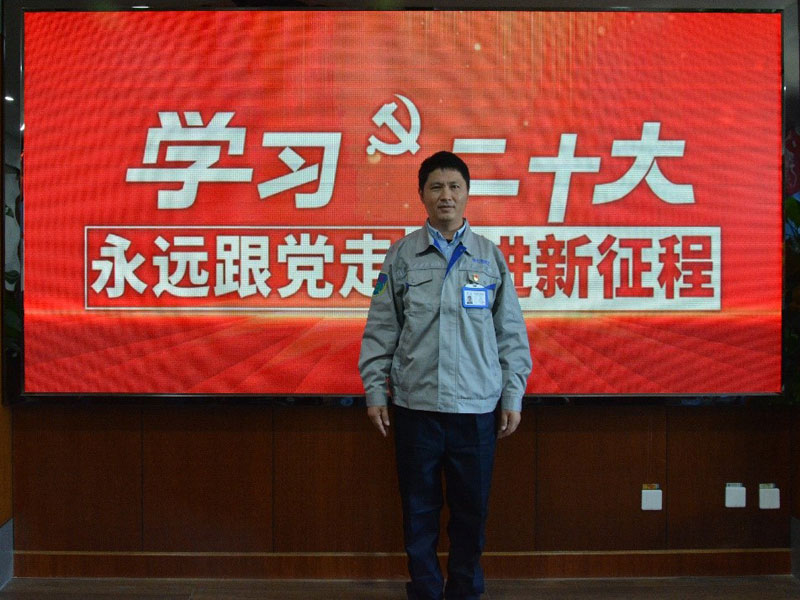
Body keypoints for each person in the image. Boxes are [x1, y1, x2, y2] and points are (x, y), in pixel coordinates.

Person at [359, 150, 532, 600]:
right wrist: (375, 391)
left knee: (471, 513)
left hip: (476, 410)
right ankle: (425, 590)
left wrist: (512, 396)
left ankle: (464, 590)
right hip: (416, 407)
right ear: (421, 195)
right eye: (436, 187)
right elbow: (381, 328)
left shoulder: (489, 258)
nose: (446, 196)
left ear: (468, 194)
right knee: (419, 512)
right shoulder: (402, 256)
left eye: (455, 186)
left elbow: (510, 333)